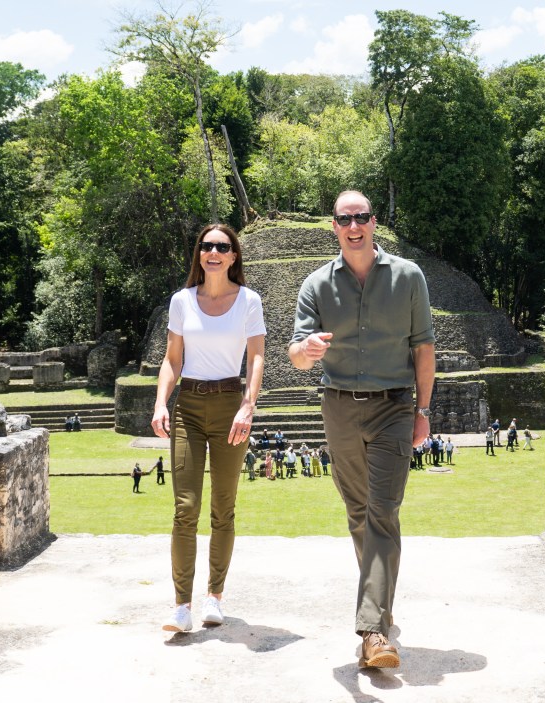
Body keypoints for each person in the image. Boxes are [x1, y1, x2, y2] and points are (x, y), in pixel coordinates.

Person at [289, 190, 435, 669]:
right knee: (358, 511)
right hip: (338, 408)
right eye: (345, 219)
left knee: (383, 511)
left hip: (394, 406)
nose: (354, 226)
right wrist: (306, 350)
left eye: (362, 217)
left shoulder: (409, 277)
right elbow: (294, 354)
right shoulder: (315, 284)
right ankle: (380, 605)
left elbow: (424, 350)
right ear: (333, 226)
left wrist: (423, 411)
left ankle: (373, 631)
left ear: (375, 222)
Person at [151, 223, 266, 633]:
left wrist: (247, 406)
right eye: (206, 246)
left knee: (223, 507)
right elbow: (172, 358)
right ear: (199, 254)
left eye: (222, 246)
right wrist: (161, 402)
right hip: (189, 406)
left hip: (230, 405)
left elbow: (255, 359)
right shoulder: (182, 300)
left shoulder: (249, 301)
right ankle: (181, 605)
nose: (213, 252)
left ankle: (214, 596)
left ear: (234, 255)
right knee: (185, 509)